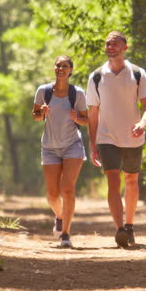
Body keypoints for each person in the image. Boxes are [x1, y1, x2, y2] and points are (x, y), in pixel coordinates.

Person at [86, 31, 146, 247]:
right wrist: (93, 143)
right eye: (107, 43)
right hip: (106, 137)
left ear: (125, 47)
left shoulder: (137, 73)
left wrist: (143, 122)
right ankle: (120, 229)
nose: (110, 46)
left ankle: (130, 225)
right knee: (113, 182)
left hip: (132, 137)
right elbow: (93, 112)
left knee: (131, 181)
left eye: (115, 43)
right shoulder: (96, 76)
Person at [32, 55, 89, 248]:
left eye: (64, 66)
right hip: (49, 146)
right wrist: (43, 113)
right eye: (58, 65)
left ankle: (65, 234)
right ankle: (60, 216)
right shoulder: (44, 91)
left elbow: (86, 120)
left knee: (68, 188)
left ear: (71, 70)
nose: (61, 69)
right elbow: (36, 116)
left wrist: (76, 117)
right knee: (52, 194)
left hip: (73, 145)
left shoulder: (77, 93)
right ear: (54, 68)